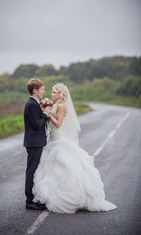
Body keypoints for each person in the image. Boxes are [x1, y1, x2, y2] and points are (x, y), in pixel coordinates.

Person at [33, 83, 117, 213]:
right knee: (51, 168)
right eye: (52, 92)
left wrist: (48, 114)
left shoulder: (61, 106)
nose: (52, 94)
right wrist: (46, 112)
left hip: (59, 138)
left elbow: (59, 124)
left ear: (61, 94)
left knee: (64, 166)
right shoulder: (54, 105)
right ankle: (51, 196)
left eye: (55, 92)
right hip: (52, 138)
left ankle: (67, 197)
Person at [23, 78, 51, 210]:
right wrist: (45, 114)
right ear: (35, 91)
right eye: (42, 89)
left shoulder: (34, 103)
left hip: (35, 142)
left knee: (33, 170)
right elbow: (37, 124)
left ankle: (32, 198)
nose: (44, 91)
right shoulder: (32, 105)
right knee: (31, 171)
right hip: (34, 143)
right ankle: (29, 201)